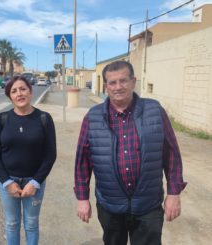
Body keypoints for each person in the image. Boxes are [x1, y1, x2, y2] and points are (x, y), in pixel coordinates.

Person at [74, 60, 187, 245]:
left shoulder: (154, 111)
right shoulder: (93, 117)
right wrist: (82, 198)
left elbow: (172, 154)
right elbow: (82, 162)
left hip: (148, 206)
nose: (118, 87)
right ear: (106, 86)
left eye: (123, 80)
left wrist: (174, 193)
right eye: (112, 82)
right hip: (110, 205)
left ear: (133, 81)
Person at [0, 75, 57, 245]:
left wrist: (35, 182)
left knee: (32, 224)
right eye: (14, 91)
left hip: (34, 183)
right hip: (8, 183)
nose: (19, 94)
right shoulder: (2, 119)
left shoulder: (44, 119)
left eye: (22, 89)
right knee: (12, 224)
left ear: (30, 91)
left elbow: (50, 154)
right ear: (10, 96)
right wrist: (7, 182)